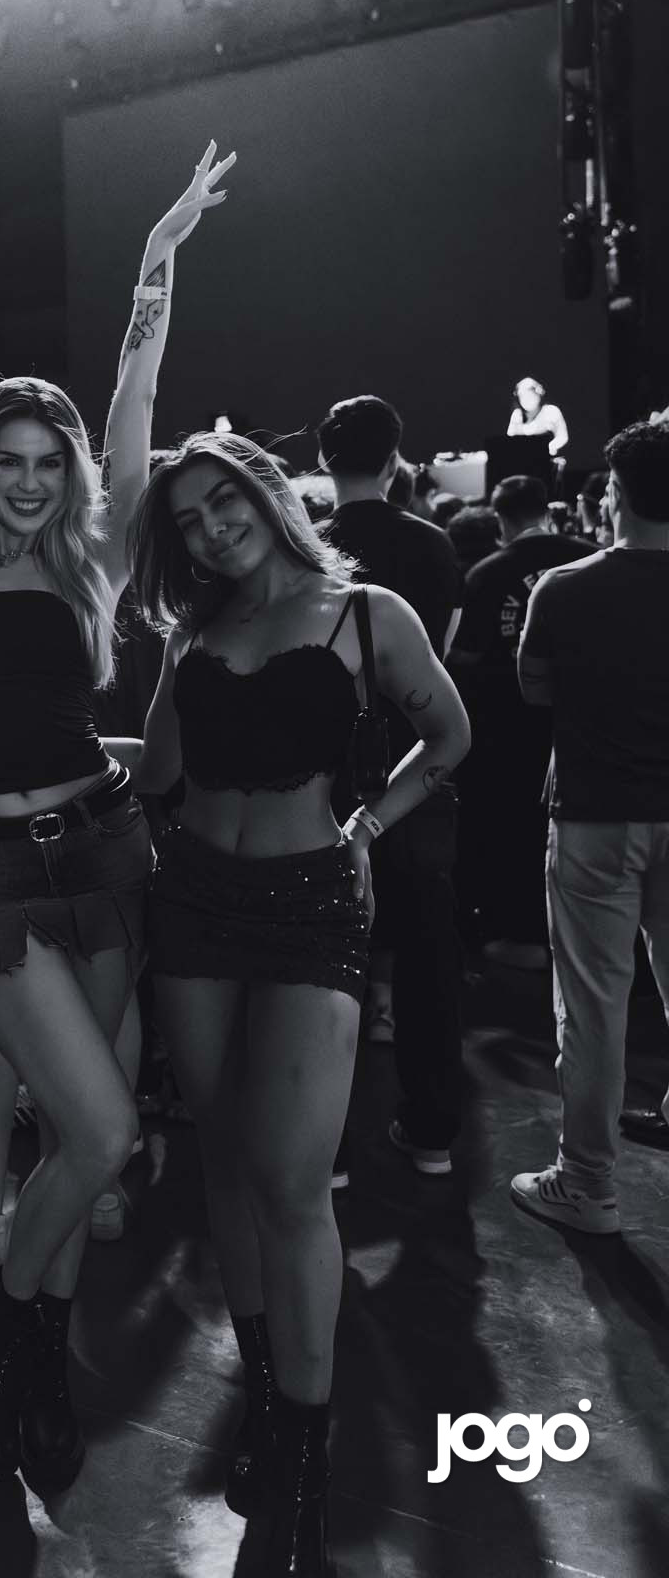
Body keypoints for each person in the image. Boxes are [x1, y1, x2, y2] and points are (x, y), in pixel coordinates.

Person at [0, 143, 234, 1493]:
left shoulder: (88, 557)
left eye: (50, 460)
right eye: (10, 459)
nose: (32, 478)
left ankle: (26, 1348)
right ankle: (16, 1326)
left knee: (90, 1150)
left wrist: (154, 263)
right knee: (98, 1133)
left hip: (97, 851)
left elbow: (135, 396)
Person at [130, 430, 468, 1576]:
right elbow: (157, 773)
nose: (210, 529)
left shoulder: (364, 613)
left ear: (267, 494)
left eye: (222, 502)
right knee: (224, 1164)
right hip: (191, 902)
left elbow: (448, 733)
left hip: (310, 905)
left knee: (290, 1180)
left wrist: (368, 824)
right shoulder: (194, 629)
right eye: (187, 520)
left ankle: (310, 1456)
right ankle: (269, 1405)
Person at [511, 420, 669, 1230]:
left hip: (596, 813)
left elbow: (534, 688)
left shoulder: (564, 587)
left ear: (615, 495)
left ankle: (587, 1184)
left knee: (595, 1007)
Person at [318, 395, 466, 1164]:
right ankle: (433, 1131)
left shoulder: (307, 546)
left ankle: (329, 1146)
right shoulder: (433, 545)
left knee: (319, 966)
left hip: (320, 779)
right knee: (429, 955)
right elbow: (441, 663)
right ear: (395, 459)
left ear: (323, 459)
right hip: (417, 770)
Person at [449, 476, 592, 969]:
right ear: (545, 510)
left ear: (501, 519)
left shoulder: (487, 574)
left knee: (513, 833)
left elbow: (463, 658)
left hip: (506, 731)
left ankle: (522, 932)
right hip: (579, 727)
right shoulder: (589, 558)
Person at [507, 376, 569, 458]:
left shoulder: (551, 411)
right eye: (522, 397)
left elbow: (562, 436)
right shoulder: (517, 415)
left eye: (529, 396)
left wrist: (550, 447)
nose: (526, 400)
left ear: (538, 394)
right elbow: (509, 439)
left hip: (548, 459)